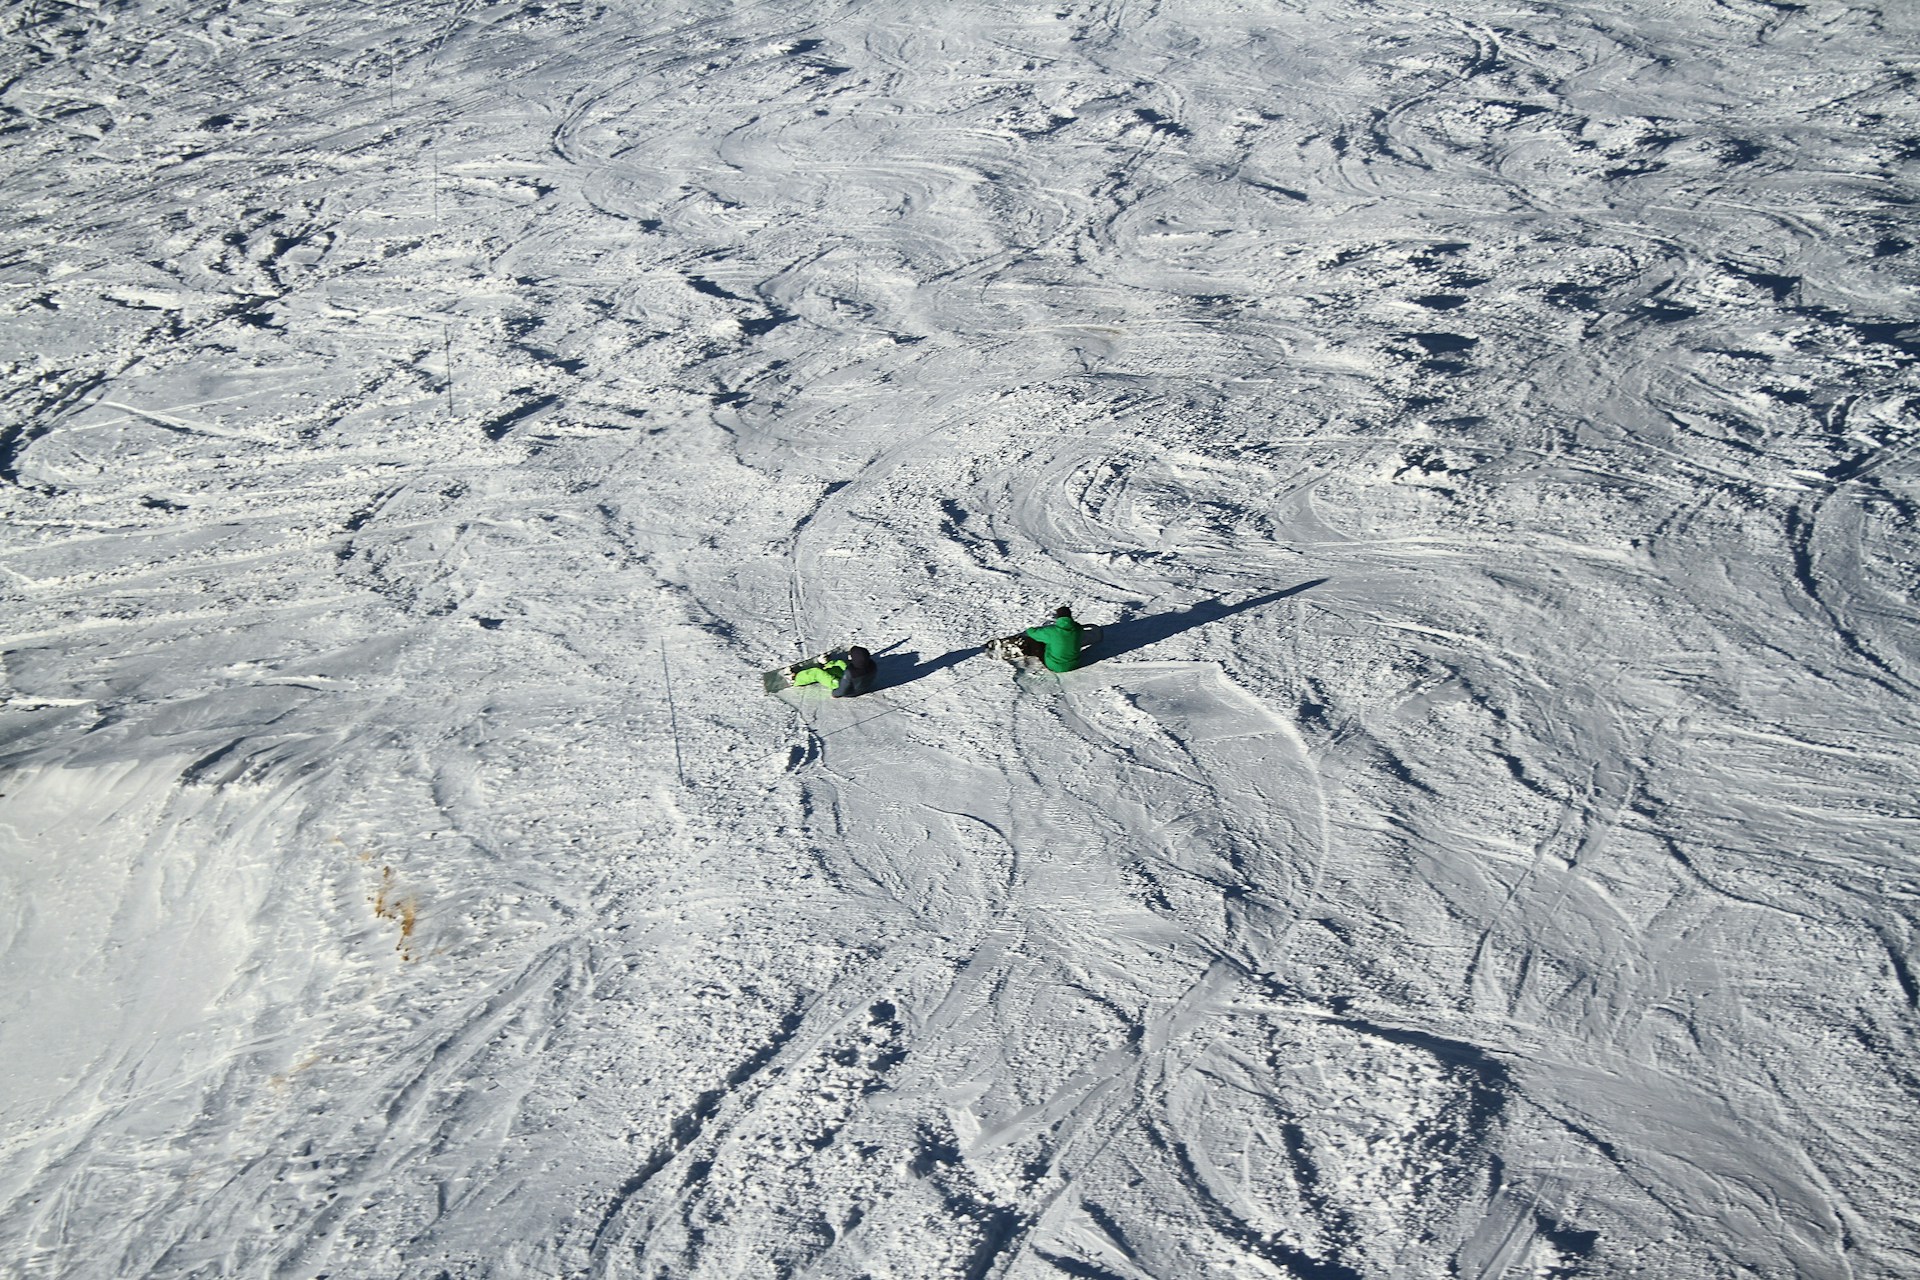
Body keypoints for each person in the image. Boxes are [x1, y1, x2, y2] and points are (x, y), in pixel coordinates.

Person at [1022, 606, 1084, 673]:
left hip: (1054, 665)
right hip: (1074, 664)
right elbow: (1077, 625)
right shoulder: (1078, 629)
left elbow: (1032, 633)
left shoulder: (1052, 631)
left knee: (1034, 640)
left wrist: (1029, 628)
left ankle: (1019, 649)